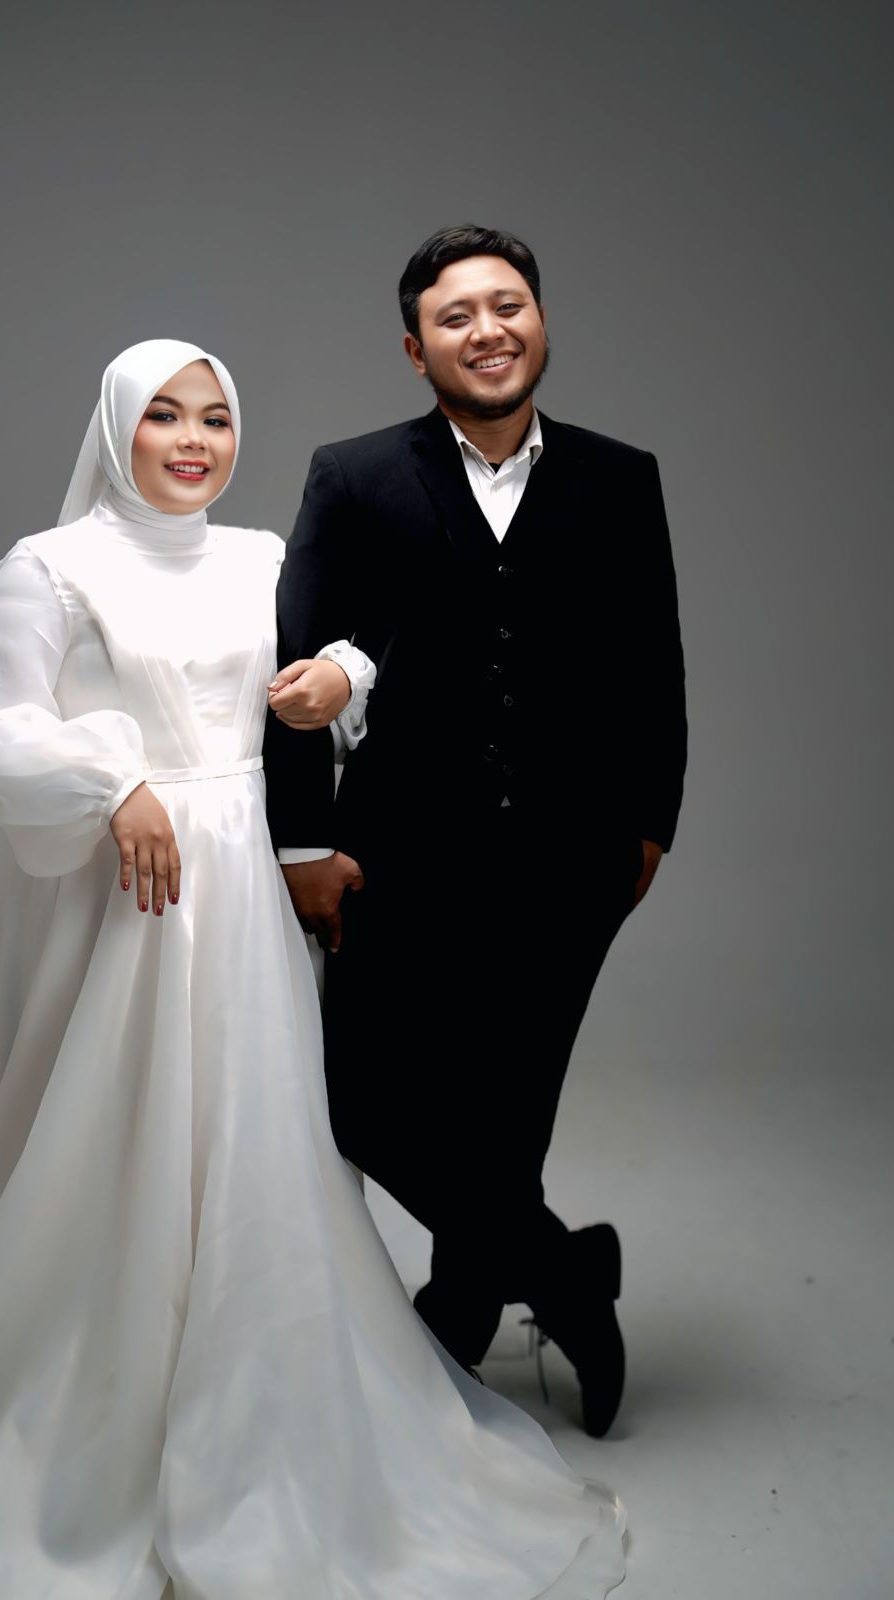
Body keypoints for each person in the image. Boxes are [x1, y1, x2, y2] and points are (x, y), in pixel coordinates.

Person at [0, 339, 626, 1598]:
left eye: (214, 418)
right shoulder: (49, 567)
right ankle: (93, 1395)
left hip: (239, 882)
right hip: (128, 892)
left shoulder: (259, 559)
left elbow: (354, 655)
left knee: (256, 1132)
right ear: (116, 427)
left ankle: (267, 1392)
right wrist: (112, 781)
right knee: (113, 1131)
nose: (193, 441)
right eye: (164, 417)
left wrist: (337, 691)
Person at [266, 225, 687, 1439]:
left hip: (572, 857)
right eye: (454, 316)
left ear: (539, 322)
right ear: (416, 349)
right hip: (392, 855)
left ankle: (456, 1305)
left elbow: (651, 663)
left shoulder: (619, 476)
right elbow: (291, 672)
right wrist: (301, 844)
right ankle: (567, 1274)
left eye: (508, 305)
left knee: (506, 1114)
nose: (487, 330)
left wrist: (646, 824)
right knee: (363, 1103)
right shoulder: (354, 475)